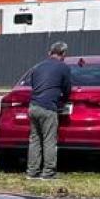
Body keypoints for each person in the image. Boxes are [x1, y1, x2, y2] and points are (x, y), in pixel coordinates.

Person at [26, 41, 73, 181]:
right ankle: (48, 172)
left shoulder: (37, 67)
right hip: (48, 108)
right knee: (49, 141)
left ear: (49, 53)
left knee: (35, 140)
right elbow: (67, 89)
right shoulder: (63, 68)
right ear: (63, 54)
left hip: (33, 106)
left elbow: (33, 84)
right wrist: (63, 100)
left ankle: (32, 171)